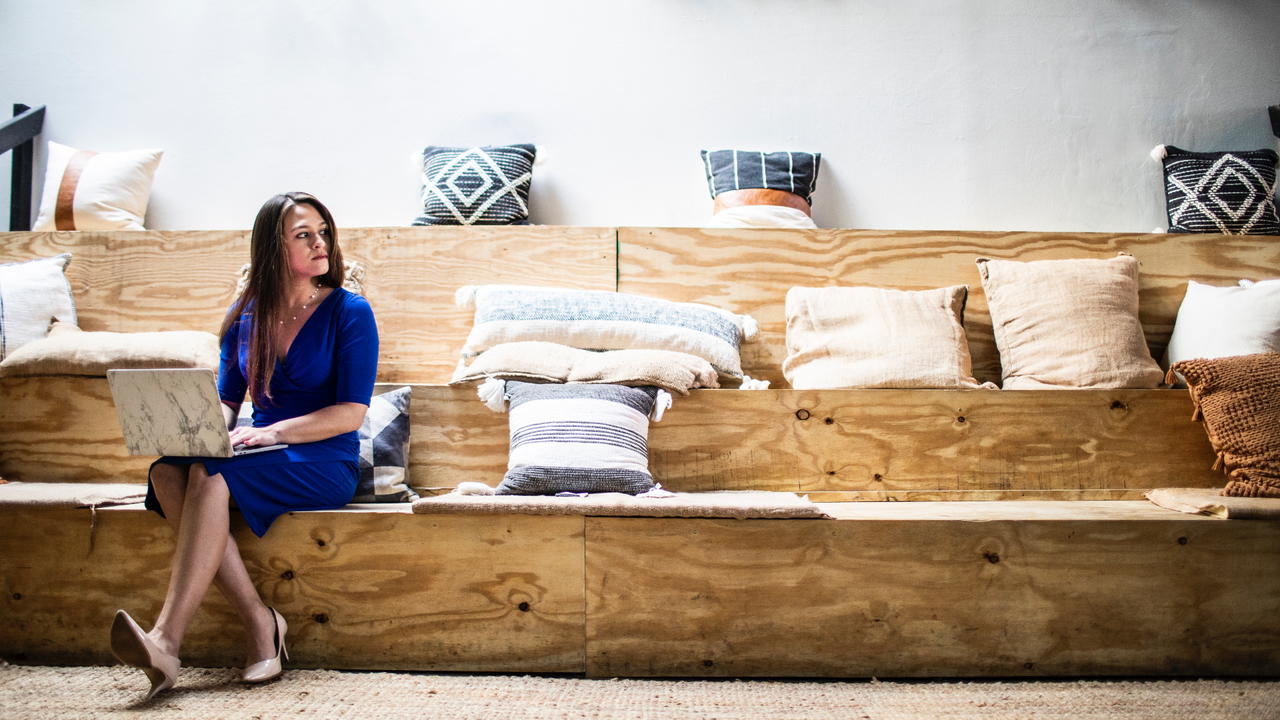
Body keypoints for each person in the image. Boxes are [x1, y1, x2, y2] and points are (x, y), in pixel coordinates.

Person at [109, 192, 379, 699]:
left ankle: (166, 638)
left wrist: (271, 431)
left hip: (324, 456)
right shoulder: (245, 316)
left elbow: (351, 413)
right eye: (304, 235)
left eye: (323, 230)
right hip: (258, 450)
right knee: (169, 470)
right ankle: (260, 621)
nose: (321, 242)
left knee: (211, 475)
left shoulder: (350, 311)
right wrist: (198, 430)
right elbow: (227, 403)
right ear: (274, 249)